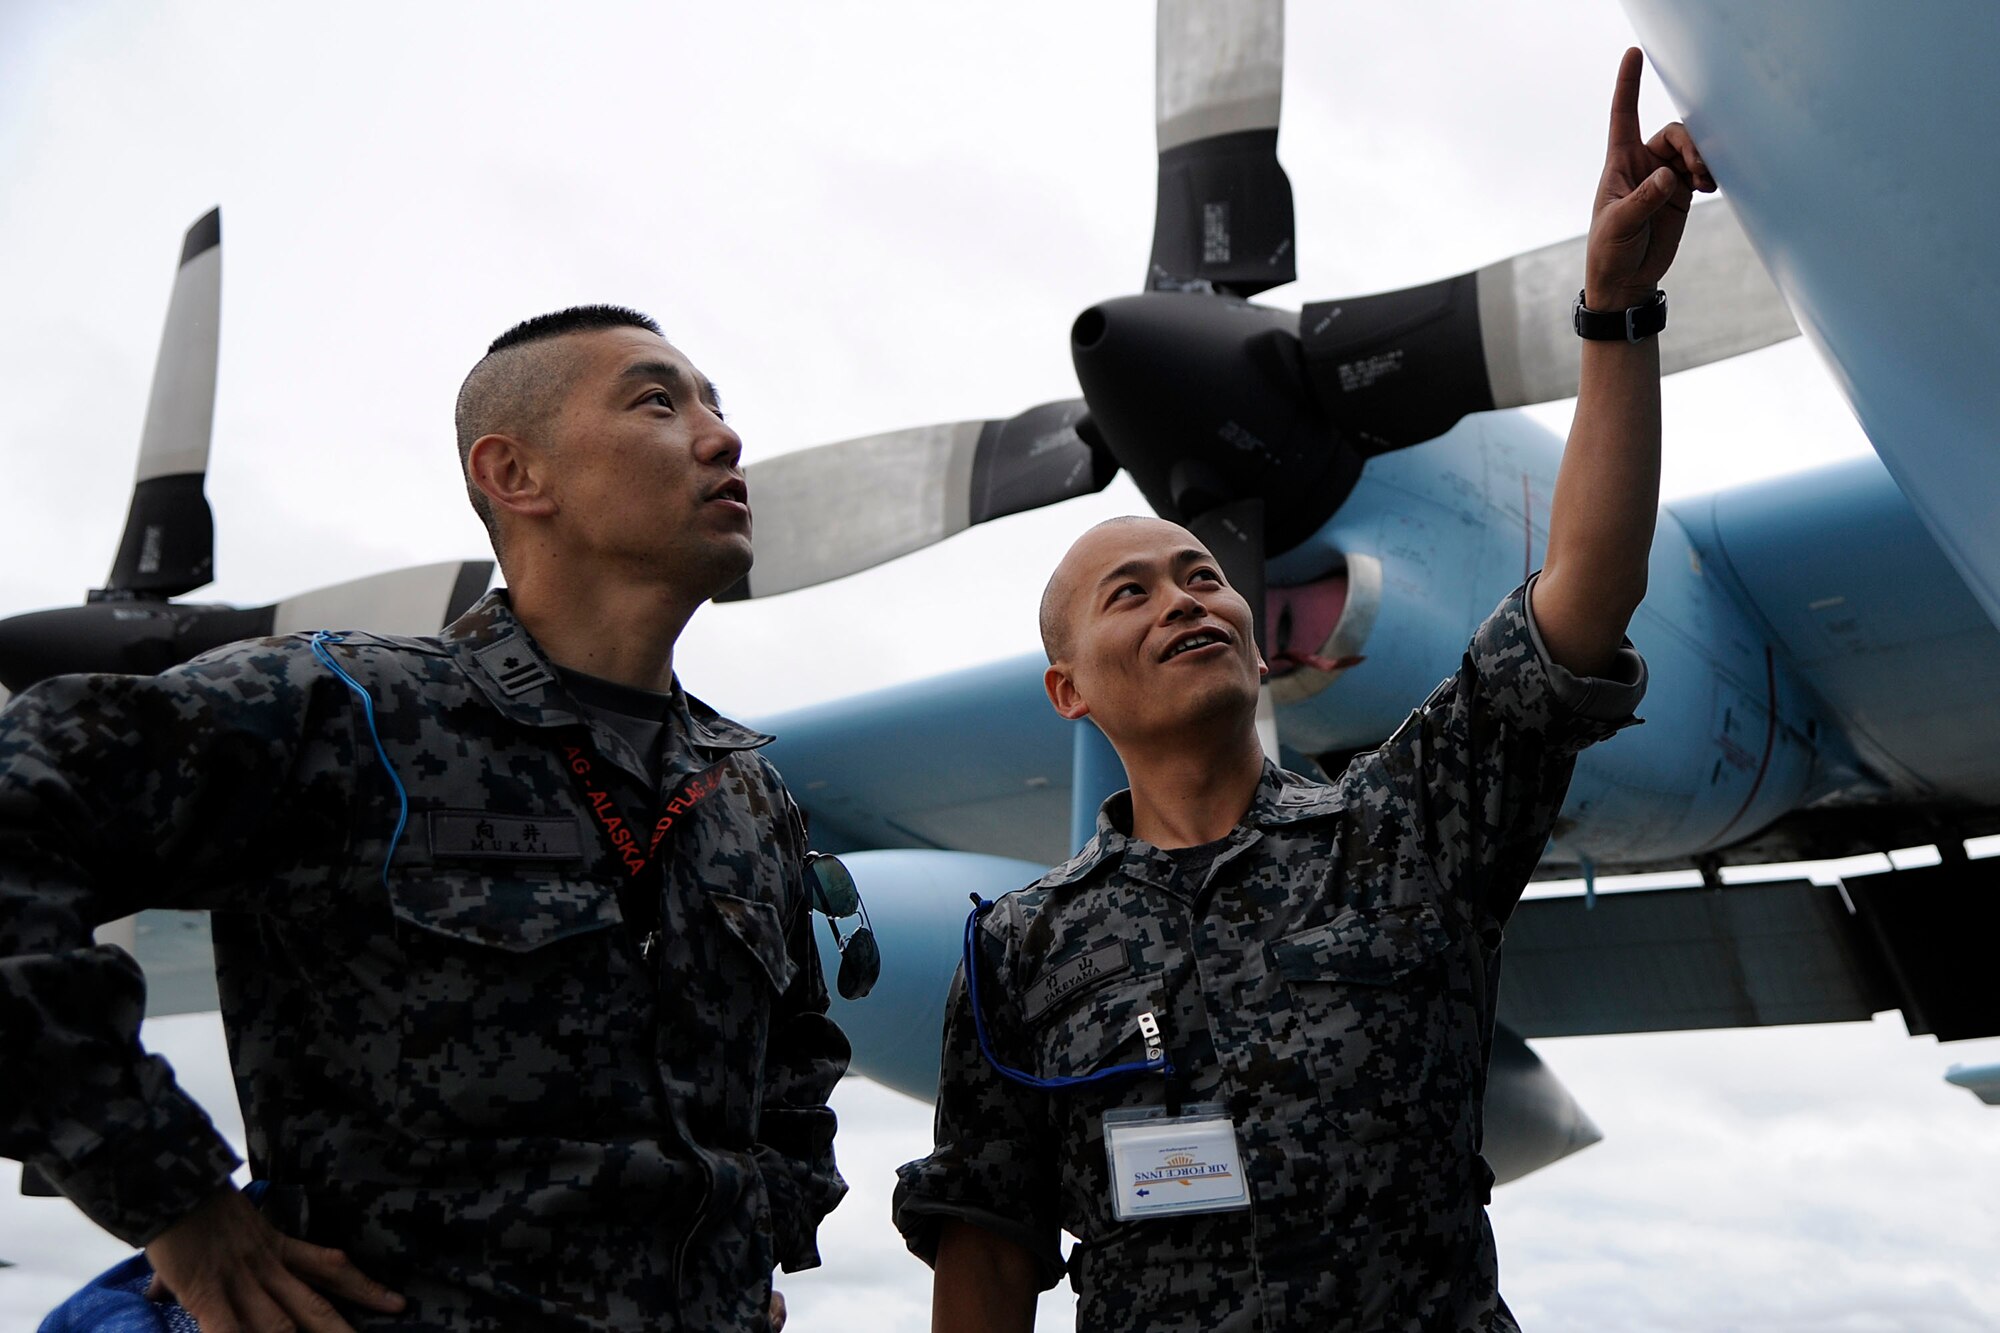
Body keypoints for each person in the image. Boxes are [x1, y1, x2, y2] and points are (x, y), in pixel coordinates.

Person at [892, 50, 1709, 1332]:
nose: (1187, 597)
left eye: (1201, 572)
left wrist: (1610, 311)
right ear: (1066, 690)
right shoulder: (1018, 950)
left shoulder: (1403, 831)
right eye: (1132, 594)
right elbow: (986, 1249)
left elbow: (1584, 595)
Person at [0, 305, 847, 1330]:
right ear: (513, 475)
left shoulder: (747, 796)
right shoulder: (343, 712)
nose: (722, 436)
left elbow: (796, 1057)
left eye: (716, 403)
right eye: (659, 402)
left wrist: (752, 1240)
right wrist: (173, 1199)